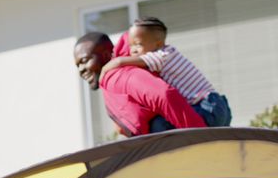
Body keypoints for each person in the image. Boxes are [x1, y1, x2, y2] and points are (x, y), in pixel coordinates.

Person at [101, 17, 232, 130]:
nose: (133, 50)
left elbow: (124, 62)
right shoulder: (169, 53)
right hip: (218, 107)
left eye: (138, 44)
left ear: (158, 43)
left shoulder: (162, 56)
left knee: (159, 125)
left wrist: (108, 67)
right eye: (130, 46)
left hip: (208, 107)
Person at [74, 32, 206, 137]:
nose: (81, 69)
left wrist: (201, 138)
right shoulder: (111, 79)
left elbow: (163, 94)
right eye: (77, 65)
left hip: (201, 118)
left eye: (84, 60)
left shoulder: (116, 76)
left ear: (106, 55)